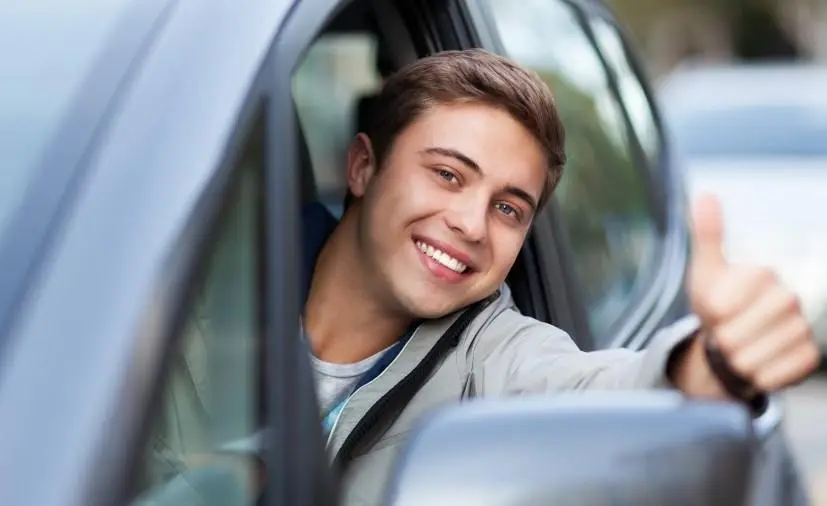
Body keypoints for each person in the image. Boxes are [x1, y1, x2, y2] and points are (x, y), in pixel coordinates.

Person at [299, 48, 820, 505]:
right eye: (448, 175)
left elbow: (601, 391)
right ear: (364, 167)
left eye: (508, 209)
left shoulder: (492, 351)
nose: (471, 223)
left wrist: (710, 367)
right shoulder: (229, 269)